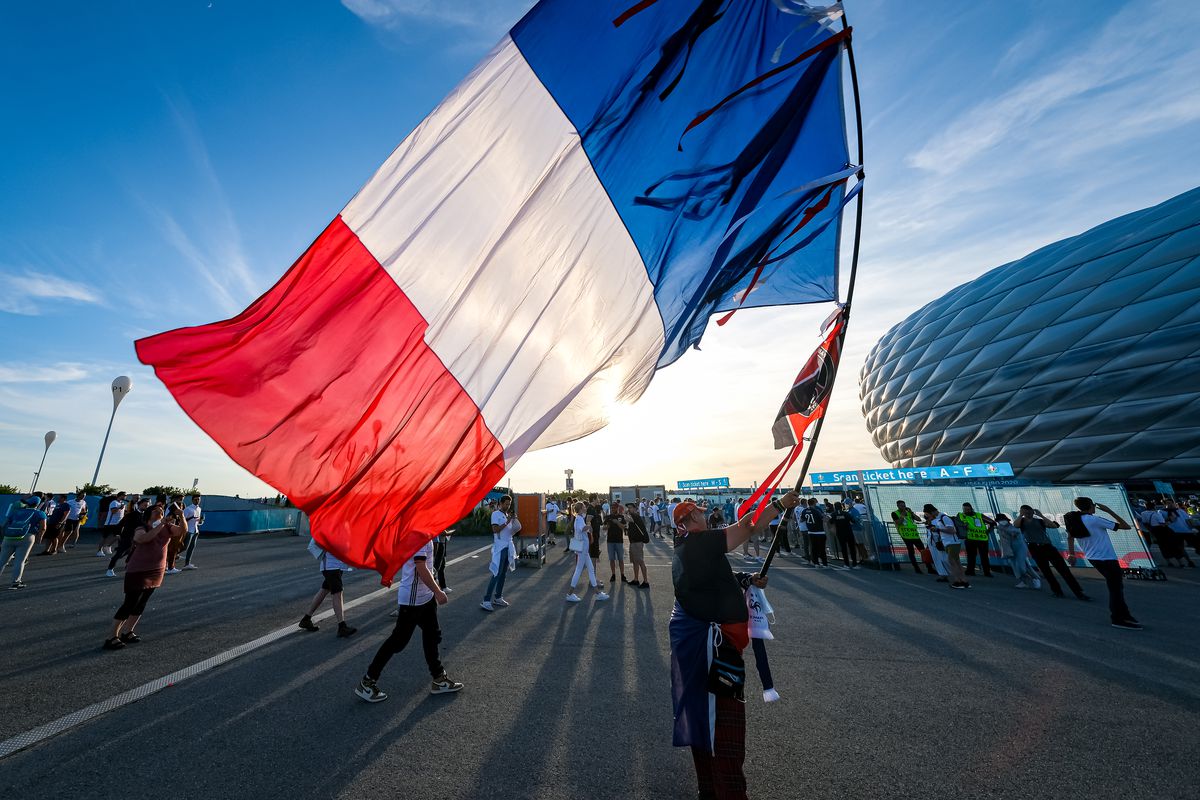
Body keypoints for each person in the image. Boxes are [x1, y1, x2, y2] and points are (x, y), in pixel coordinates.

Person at [669, 492, 801, 800]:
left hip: (711, 647)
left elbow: (710, 581)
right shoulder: (699, 543)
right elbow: (747, 528)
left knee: (707, 721)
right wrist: (779, 505)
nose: (705, 515)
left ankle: (710, 790)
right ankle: (728, 792)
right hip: (712, 651)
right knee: (721, 727)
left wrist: (744, 580)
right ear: (688, 522)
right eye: (699, 513)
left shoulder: (691, 548)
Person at [355, 538, 463, 702]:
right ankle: (367, 681)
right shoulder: (418, 534)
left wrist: (432, 592)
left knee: (432, 635)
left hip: (425, 598)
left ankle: (439, 679)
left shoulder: (426, 531)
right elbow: (420, 567)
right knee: (397, 641)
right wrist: (438, 591)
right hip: (413, 600)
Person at [102, 505, 185, 649]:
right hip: (138, 570)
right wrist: (162, 524)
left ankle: (128, 631)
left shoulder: (167, 526)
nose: (160, 511)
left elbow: (181, 531)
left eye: (161, 510)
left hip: (156, 570)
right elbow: (142, 539)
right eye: (156, 510)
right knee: (130, 603)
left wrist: (182, 516)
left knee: (142, 602)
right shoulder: (142, 527)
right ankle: (111, 636)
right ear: (148, 514)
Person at [1066, 497, 1140, 630]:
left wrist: (1071, 554)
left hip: (1094, 557)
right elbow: (1125, 526)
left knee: (1117, 587)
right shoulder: (1094, 519)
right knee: (1115, 589)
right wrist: (1108, 510)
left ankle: (1124, 614)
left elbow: (1070, 537)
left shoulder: (1074, 519)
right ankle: (1117, 618)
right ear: (1090, 506)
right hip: (1106, 557)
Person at [1016, 505, 1089, 600]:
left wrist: (1041, 515)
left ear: (1033, 512)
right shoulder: (1021, 522)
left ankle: (1079, 593)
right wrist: (1020, 516)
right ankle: (1057, 591)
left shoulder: (1039, 521)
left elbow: (1053, 526)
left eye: (1029, 512)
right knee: (1046, 571)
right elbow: (1015, 525)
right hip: (1034, 548)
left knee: (1064, 570)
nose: (1027, 514)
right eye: (1025, 513)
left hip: (1047, 547)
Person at [297, 547, 359, 637]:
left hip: (336, 564)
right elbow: (320, 541)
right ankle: (342, 626)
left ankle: (306, 619)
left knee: (325, 589)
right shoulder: (328, 532)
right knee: (337, 592)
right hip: (331, 565)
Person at [566, 501, 610, 603]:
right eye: (584, 507)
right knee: (578, 570)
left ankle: (597, 593)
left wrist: (588, 525)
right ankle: (569, 593)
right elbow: (583, 528)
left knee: (590, 569)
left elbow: (582, 529)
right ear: (581, 509)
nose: (586, 508)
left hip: (583, 549)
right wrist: (589, 524)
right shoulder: (580, 518)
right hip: (582, 550)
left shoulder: (579, 518)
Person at [481, 494, 517, 612]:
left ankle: (498, 597)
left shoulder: (506, 515)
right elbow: (495, 530)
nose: (508, 506)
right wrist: (507, 521)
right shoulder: (495, 514)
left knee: (503, 574)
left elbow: (509, 532)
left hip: (508, 546)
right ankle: (486, 600)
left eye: (509, 504)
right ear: (500, 503)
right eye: (506, 504)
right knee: (496, 573)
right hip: (500, 547)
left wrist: (514, 522)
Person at [2, 496, 46, 589]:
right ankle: (16, 582)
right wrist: (39, 538)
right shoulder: (40, 513)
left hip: (9, 537)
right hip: (27, 536)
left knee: (2, 560)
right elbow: (43, 527)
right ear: (37, 504)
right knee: (20, 560)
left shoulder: (16, 512)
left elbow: (5, 524)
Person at [924, 504, 968, 589]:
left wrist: (937, 529)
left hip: (952, 542)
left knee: (952, 562)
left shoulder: (944, 518)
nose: (929, 516)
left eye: (928, 514)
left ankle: (958, 581)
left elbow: (952, 530)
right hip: (947, 543)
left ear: (931, 512)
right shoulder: (939, 519)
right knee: (956, 562)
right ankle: (963, 581)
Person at [106, 496, 150, 577]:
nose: (146, 507)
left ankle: (128, 566)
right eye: (145, 505)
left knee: (134, 553)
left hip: (137, 538)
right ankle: (110, 569)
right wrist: (117, 534)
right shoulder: (132, 514)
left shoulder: (146, 515)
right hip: (127, 537)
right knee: (120, 554)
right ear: (139, 505)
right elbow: (121, 524)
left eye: (147, 505)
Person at [995, 513, 1041, 589]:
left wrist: (1013, 533)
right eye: (1000, 520)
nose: (1002, 521)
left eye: (1003, 520)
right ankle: (1024, 581)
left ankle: (1035, 578)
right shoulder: (1000, 528)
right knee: (1015, 566)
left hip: (1020, 548)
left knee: (1021, 566)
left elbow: (1016, 532)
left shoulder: (1014, 527)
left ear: (1007, 520)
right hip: (1010, 550)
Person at [958, 502, 996, 578]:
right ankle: (970, 571)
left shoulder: (979, 515)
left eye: (967, 509)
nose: (966, 511)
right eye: (964, 509)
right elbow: (958, 524)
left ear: (971, 508)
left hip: (982, 539)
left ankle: (987, 572)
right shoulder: (961, 515)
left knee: (984, 556)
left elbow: (993, 523)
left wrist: (988, 531)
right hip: (970, 538)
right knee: (971, 555)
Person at [892, 501, 929, 574]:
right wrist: (902, 515)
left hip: (915, 535)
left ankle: (929, 567)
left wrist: (911, 513)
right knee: (911, 552)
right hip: (906, 535)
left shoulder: (908, 512)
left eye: (904, 505)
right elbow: (898, 523)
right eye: (901, 506)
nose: (903, 507)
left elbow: (919, 519)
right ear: (898, 506)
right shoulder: (895, 513)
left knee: (923, 551)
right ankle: (916, 568)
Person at [627, 502, 650, 588]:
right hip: (633, 542)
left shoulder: (635, 516)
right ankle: (636, 579)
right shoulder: (633, 516)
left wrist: (625, 513)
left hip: (637, 542)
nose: (629, 509)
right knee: (635, 562)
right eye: (628, 508)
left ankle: (646, 581)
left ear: (635, 508)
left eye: (630, 507)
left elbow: (626, 519)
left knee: (640, 561)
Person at [97, 491, 127, 557]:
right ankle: (99, 551)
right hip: (110, 523)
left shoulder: (122, 503)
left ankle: (108, 546)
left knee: (119, 536)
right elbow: (113, 511)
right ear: (121, 495)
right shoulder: (114, 502)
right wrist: (120, 507)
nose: (126, 497)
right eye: (125, 495)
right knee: (104, 537)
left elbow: (123, 513)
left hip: (118, 523)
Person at [829, 502, 857, 569]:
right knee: (852, 548)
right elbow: (853, 521)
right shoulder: (846, 513)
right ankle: (854, 564)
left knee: (843, 548)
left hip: (840, 533)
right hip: (849, 532)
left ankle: (846, 564)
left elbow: (830, 522)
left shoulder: (833, 514)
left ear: (834, 507)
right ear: (841, 506)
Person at [801, 498, 828, 568]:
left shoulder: (804, 511)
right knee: (822, 548)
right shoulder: (816, 511)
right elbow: (823, 519)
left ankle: (816, 563)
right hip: (819, 531)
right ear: (814, 503)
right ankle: (824, 563)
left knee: (813, 548)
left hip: (810, 531)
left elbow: (801, 520)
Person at [181, 494, 204, 570]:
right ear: (192, 500)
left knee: (191, 547)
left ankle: (187, 564)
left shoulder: (199, 509)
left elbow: (197, 520)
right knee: (184, 547)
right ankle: (170, 559)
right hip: (188, 531)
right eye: (195, 499)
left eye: (198, 499)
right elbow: (182, 520)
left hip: (195, 531)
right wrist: (191, 518)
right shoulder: (188, 509)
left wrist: (200, 521)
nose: (197, 501)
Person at [851, 496, 871, 563]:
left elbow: (855, 520)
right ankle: (863, 557)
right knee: (859, 544)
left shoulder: (854, 509)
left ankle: (865, 557)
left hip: (857, 528)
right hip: (862, 525)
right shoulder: (862, 506)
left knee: (860, 544)